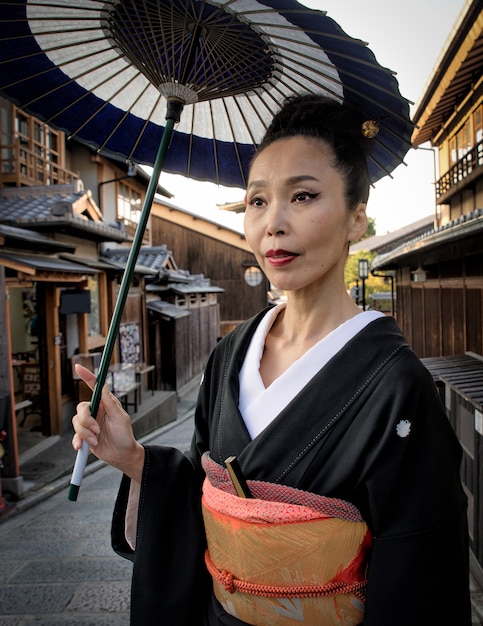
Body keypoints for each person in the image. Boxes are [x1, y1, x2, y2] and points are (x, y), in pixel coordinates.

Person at [72, 94, 471, 626]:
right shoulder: (230, 355)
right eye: (257, 202)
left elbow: (420, 582)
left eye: (303, 196)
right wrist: (135, 461)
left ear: (357, 218)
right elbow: (202, 493)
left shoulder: (398, 387)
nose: (273, 224)